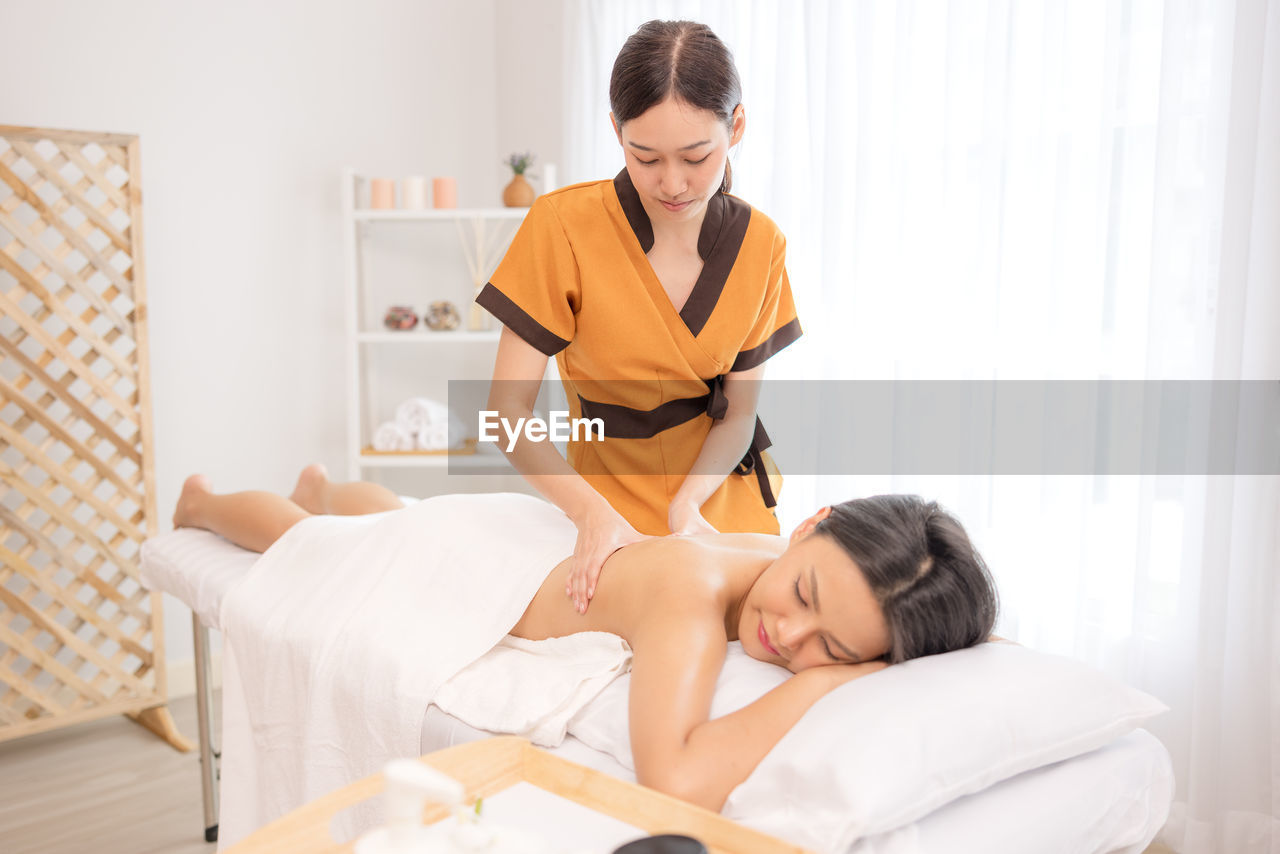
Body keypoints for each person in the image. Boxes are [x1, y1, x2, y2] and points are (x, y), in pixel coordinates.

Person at [173, 464, 999, 811]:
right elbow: (672, 779)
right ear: (810, 524)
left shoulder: (772, 557)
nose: (787, 636)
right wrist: (822, 681)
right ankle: (204, 503)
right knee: (307, 546)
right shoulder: (691, 591)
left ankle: (331, 490)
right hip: (479, 564)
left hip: (514, 541)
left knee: (390, 523)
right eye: (806, 595)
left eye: (836, 649)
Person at [478, 20, 801, 615]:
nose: (672, 183)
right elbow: (507, 415)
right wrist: (591, 516)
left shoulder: (762, 245)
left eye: (697, 157)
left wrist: (688, 510)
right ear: (615, 132)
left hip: (718, 507)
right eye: (644, 157)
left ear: (737, 128)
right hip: (605, 508)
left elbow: (738, 416)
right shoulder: (563, 228)